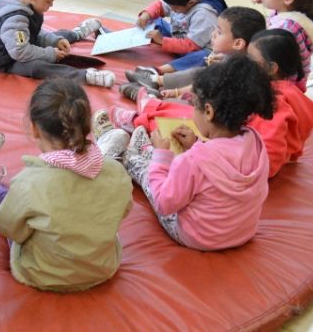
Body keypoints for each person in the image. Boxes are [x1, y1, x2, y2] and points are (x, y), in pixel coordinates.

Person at [0, 79, 133, 291]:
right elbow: (124, 209)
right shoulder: (116, 173)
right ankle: (103, 154)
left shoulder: (28, 182)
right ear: (86, 127)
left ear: (35, 129)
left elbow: (8, 227)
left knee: (6, 201)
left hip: (42, 272)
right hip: (102, 267)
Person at [116, 56, 274, 250]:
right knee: (171, 165)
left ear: (208, 111)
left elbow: (163, 203)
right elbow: (224, 161)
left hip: (198, 236)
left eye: (193, 105)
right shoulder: (256, 142)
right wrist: (197, 143)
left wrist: (159, 157)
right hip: (241, 232)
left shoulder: (194, 161)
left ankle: (131, 156)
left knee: (147, 170)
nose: (191, 111)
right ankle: (149, 151)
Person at [122, 6, 266, 100]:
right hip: (205, 92)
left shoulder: (241, 71)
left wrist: (176, 93)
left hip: (212, 104)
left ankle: (150, 99)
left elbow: (204, 86)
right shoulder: (236, 57)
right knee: (200, 71)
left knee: (193, 87)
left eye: (220, 32)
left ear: (238, 43)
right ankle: (155, 81)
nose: (213, 34)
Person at [246, 29, 313, 177]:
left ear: (272, 68)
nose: (245, 64)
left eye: (251, 60)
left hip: (262, 167)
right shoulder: (287, 88)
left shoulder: (274, 101)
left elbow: (270, 157)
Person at [133, 0, 227, 75]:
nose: (172, 11)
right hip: (179, 38)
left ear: (191, 3)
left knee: (204, 57)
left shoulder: (204, 14)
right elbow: (161, 5)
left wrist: (162, 41)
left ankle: (158, 71)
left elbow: (192, 45)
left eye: (175, 9)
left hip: (196, 48)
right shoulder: (180, 0)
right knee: (153, 21)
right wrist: (147, 14)